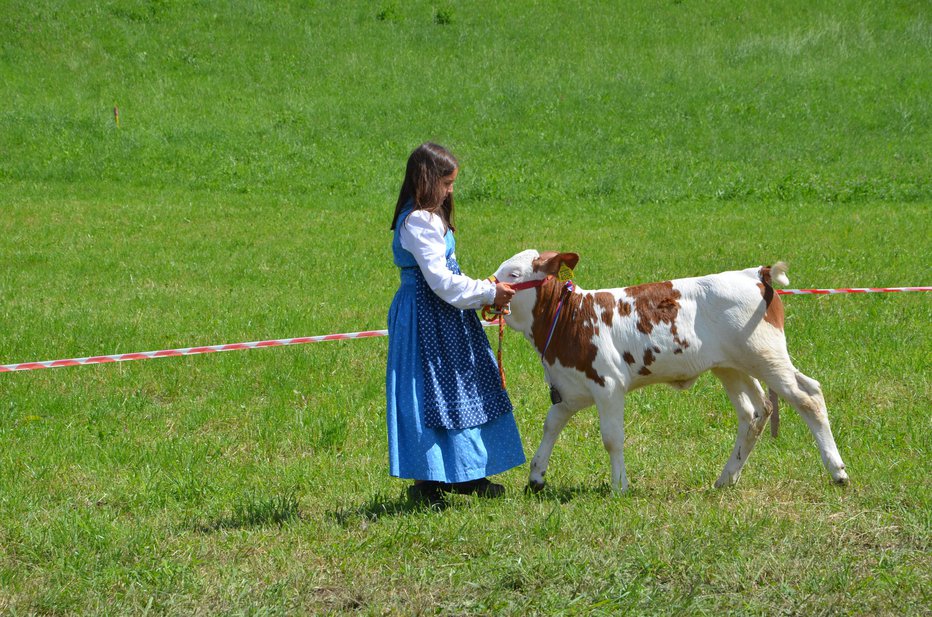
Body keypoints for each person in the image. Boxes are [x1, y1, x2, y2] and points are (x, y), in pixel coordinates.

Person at [386, 142, 525, 504]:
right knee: (429, 394)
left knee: (465, 388)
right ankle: (429, 482)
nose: (451, 190)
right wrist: (487, 293)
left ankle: (468, 474)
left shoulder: (430, 216)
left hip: (447, 315)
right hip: (424, 317)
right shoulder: (417, 221)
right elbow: (442, 282)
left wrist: (484, 292)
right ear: (428, 181)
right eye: (446, 184)